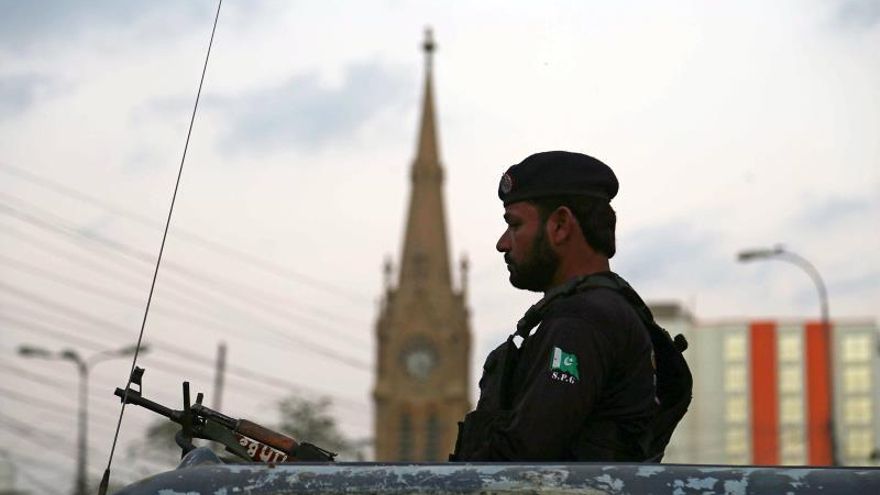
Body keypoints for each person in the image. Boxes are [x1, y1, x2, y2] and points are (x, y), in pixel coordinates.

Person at [451, 150, 660, 462]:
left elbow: (521, 463)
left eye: (515, 225)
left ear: (560, 225)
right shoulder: (593, 312)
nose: (503, 243)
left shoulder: (582, 321)